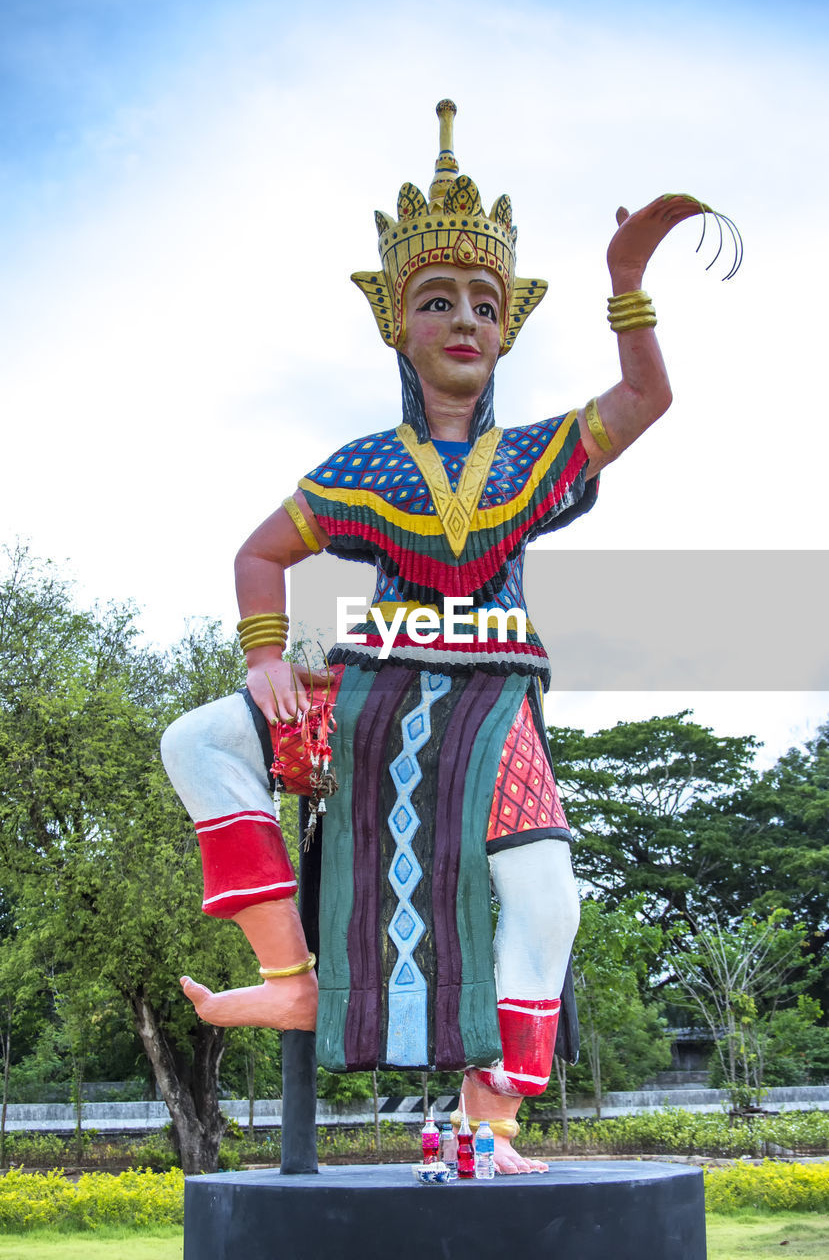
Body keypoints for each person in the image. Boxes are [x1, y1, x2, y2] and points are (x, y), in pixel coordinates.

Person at [161, 100, 721, 1173]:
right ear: (396, 324)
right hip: (368, 696)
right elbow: (257, 552)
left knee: (548, 894)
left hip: (487, 704)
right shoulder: (365, 465)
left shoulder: (535, 455)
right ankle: (291, 973)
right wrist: (267, 656)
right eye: (435, 301)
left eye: (482, 303)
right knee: (198, 742)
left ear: (506, 327)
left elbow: (647, 393)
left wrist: (625, 280)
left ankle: (490, 1115)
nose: (462, 320)